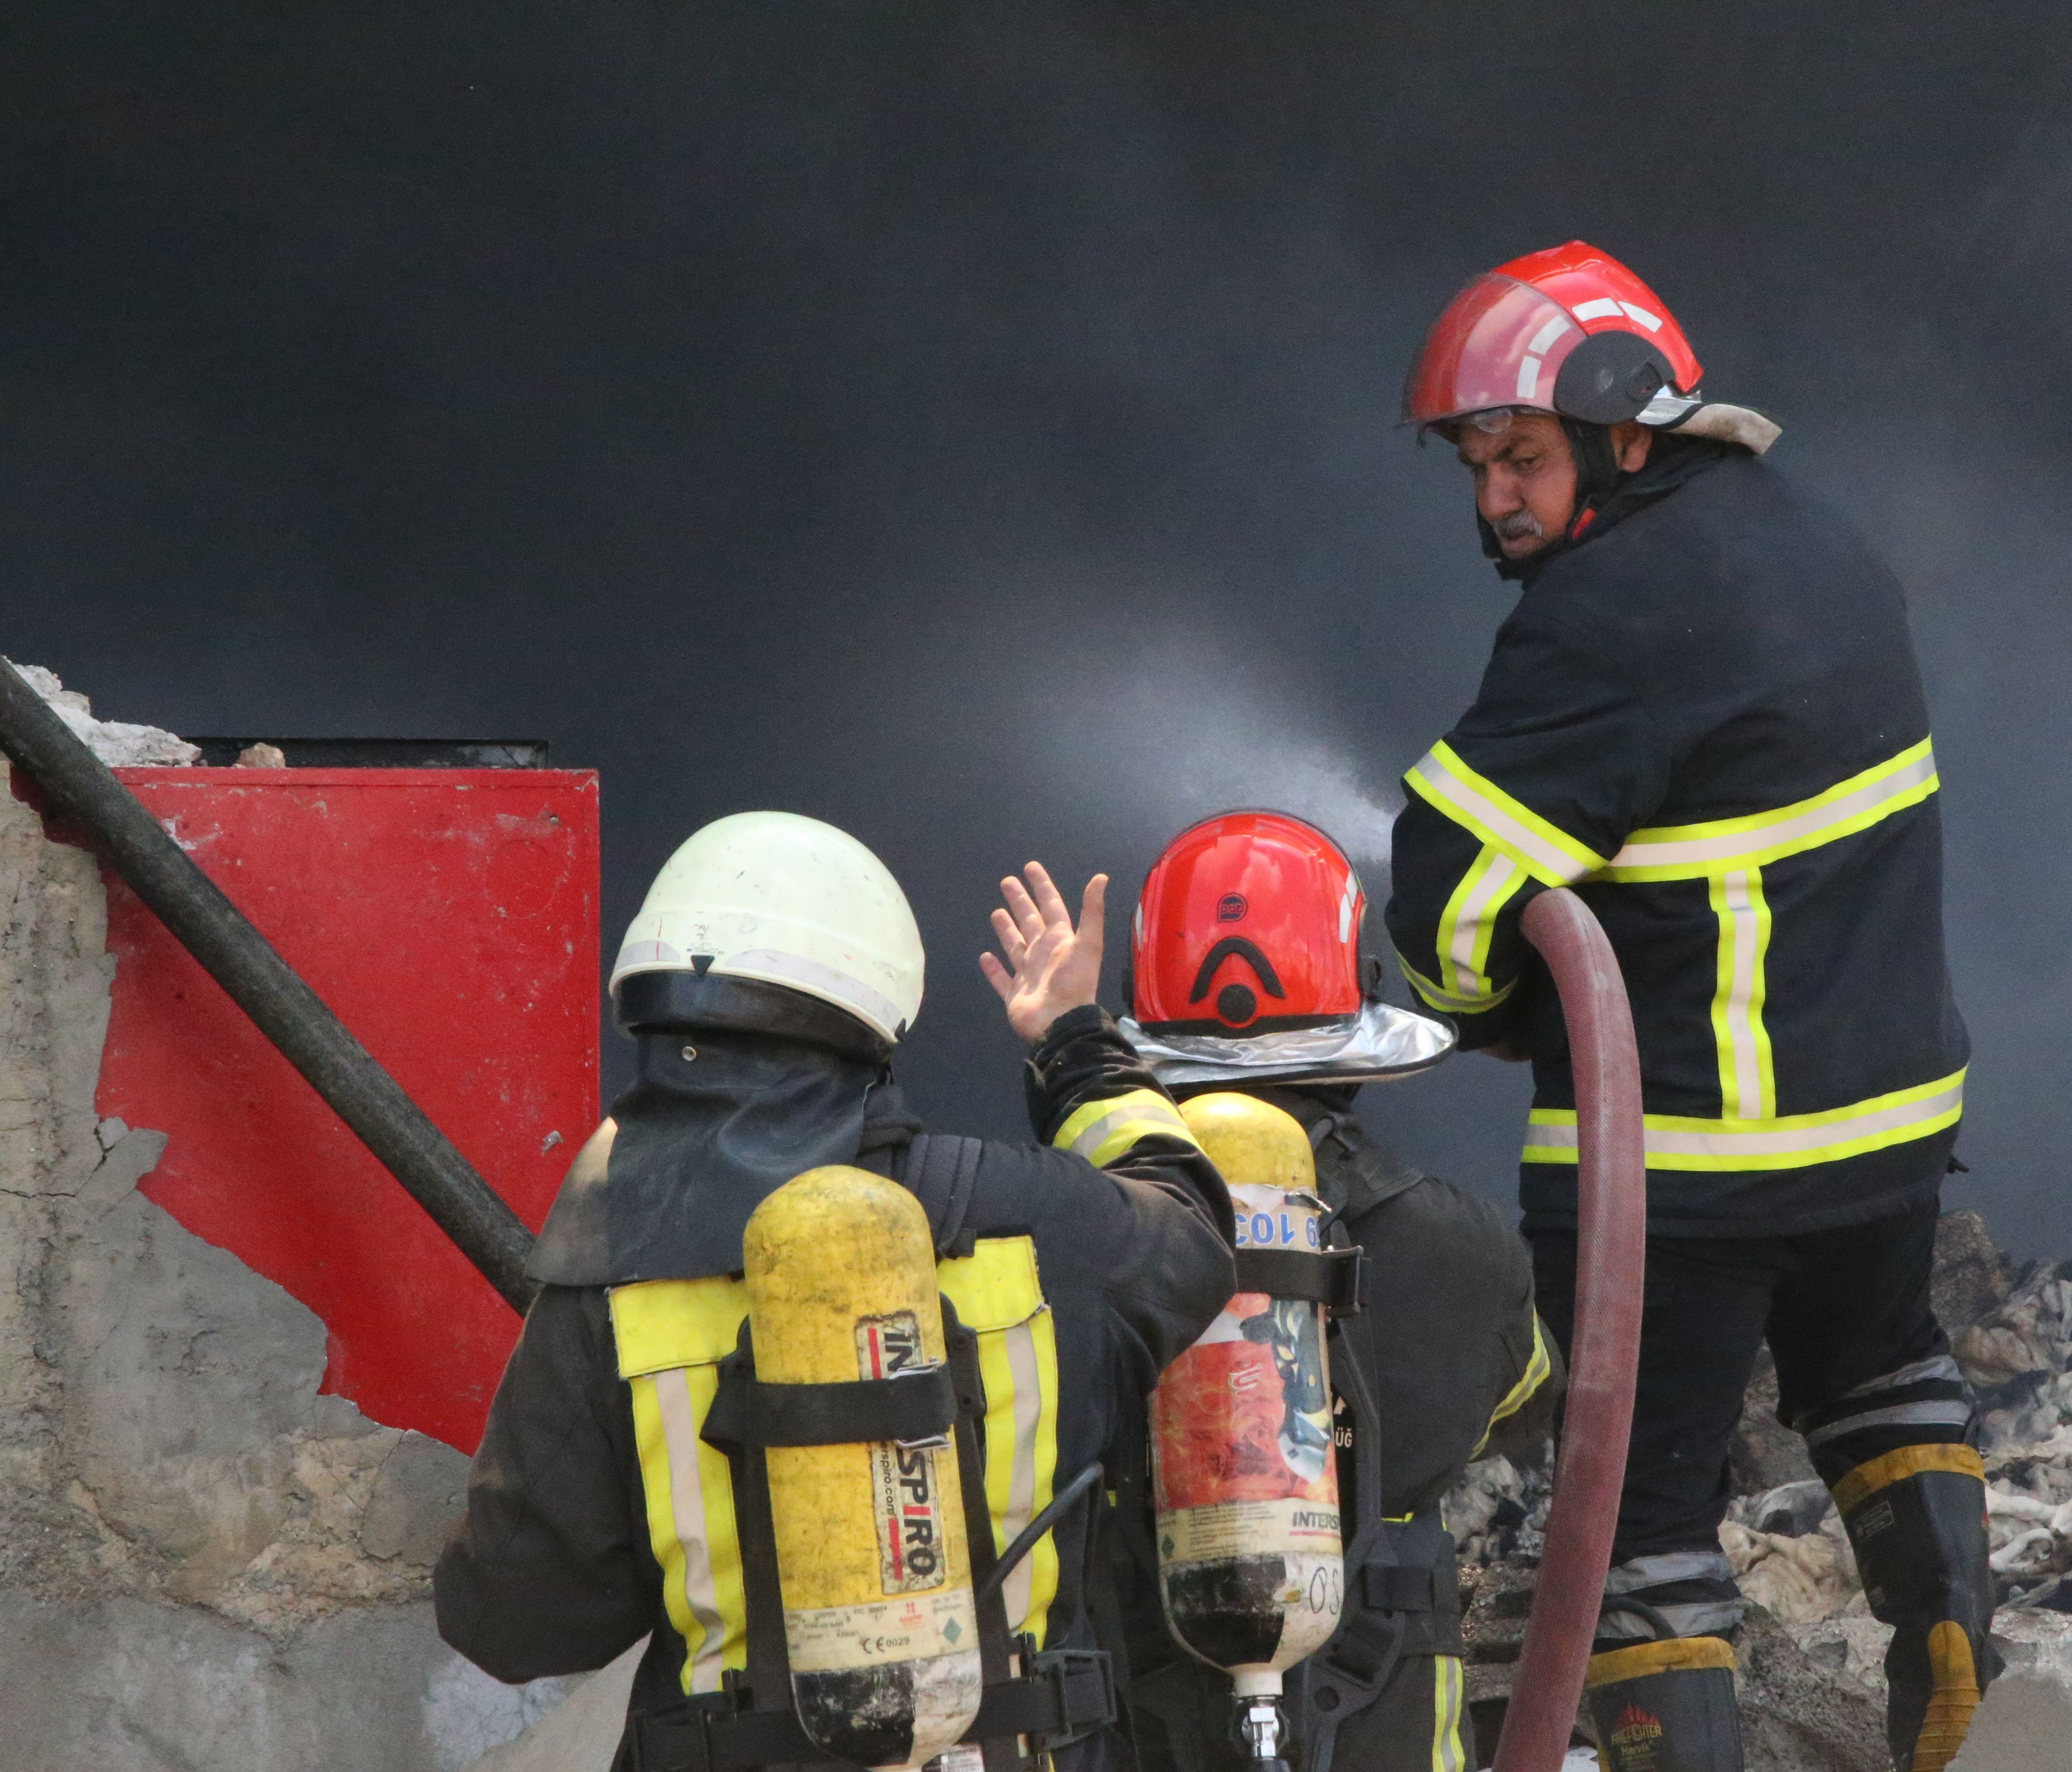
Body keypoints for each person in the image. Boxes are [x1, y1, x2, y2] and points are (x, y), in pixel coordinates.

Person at [1384, 241, 1994, 1772]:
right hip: (1895, 1130)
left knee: (1645, 1523)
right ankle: (1948, 1650)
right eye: (1474, 465)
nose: (1494, 503)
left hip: (1690, 1168)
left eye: (1519, 457)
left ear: (1624, 430)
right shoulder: (1826, 546)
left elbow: (1448, 906)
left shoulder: (1610, 611)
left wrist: (1495, 1000)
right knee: (1882, 1371)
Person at [436, 813, 1237, 1772]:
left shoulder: (608, 1275)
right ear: (879, 1010)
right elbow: (1193, 1228)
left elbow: (516, 1625)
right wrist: (1074, 1041)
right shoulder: (1037, 1219)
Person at [1107, 810, 1557, 1772]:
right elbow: (1524, 1406)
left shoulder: (1073, 1235)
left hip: (1132, 1712)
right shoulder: (1465, 1244)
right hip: (1383, 1719)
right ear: (1356, 1008)